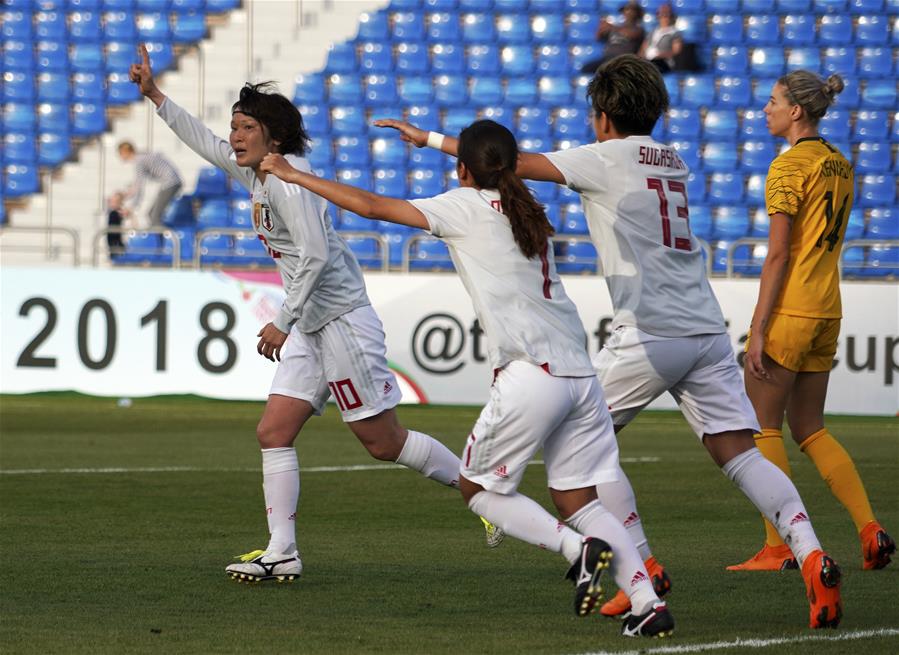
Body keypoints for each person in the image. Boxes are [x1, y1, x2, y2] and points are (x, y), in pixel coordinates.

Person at [379, 55, 844, 630]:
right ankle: (812, 553)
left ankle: (641, 568)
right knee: (739, 452)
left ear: (603, 117)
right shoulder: (671, 159)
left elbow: (504, 164)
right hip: (704, 327)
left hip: (648, 333)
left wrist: (426, 138)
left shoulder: (605, 157)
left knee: (578, 454)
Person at [260, 119, 675, 638]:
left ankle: (576, 549)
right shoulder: (530, 211)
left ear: (462, 169)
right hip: (580, 375)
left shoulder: (463, 207)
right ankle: (645, 599)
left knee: (477, 489)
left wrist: (295, 177)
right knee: (579, 501)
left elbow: (371, 206)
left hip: (531, 373)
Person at [127, 44, 502, 583]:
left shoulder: (287, 179)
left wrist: (283, 318)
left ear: (273, 137)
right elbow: (204, 143)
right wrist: (157, 97)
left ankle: (484, 493)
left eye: (246, 126)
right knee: (273, 431)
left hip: (340, 320)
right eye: (234, 125)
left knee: (382, 442)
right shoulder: (259, 174)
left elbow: (317, 255)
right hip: (310, 322)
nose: (234, 135)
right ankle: (283, 550)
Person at [729, 70, 895, 573]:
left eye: (774, 100)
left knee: (761, 428)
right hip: (827, 308)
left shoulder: (787, 167)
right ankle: (871, 528)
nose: (766, 108)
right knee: (810, 427)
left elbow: (777, 256)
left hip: (793, 309)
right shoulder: (840, 164)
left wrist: (757, 329)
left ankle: (779, 546)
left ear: (796, 110)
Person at [117, 140, 183, 228]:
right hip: (171, 182)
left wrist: (132, 207)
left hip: (170, 183)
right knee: (151, 214)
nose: (120, 157)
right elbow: (136, 185)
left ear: (125, 152)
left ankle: (164, 239)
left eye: (120, 153)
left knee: (154, 216)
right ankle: (163, 236)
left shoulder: (139, 161)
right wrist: (127, 195)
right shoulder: (141, 157)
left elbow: (139, 186)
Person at [580, 1, 646, 74]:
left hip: (624, 60)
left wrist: (612, 27)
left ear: (637, 13)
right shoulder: (617, 27)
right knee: (586, 68)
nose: (627, 12)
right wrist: (601, 28)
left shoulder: (638, 29)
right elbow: (598, 38)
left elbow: (631, 34)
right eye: (626, 10)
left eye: (631, 10)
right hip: (607, 58)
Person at [639, 4, 682, 74]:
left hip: (664, 61)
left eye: (667, 14)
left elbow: (676, 51)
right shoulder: (652, 31)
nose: (664, 17)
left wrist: (660, 55)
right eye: (662, 14)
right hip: (648, 61)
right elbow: (643, 48)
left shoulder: (674, 32)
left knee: (653, 67)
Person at [106, 191, 129, 257]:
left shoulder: (118, 212)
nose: (112, 203)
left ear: (120, 203)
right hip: (112, 237)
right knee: (113, 250)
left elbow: (125, 215)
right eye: (112, 201)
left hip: (116, 238)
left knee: (117, 249)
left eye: (115, 202)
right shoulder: (112, 211)